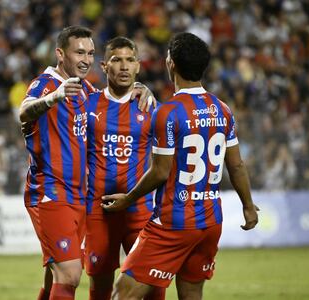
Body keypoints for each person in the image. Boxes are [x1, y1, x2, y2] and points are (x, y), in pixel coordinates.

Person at [102, 32, 259, 300]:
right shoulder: (222, 109)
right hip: (210, 222)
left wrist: (128, 199)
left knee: (123, 294)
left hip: (173, 222)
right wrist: (247, 205)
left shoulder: (169, 112)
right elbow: (236, 165)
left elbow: (161, 171)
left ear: (171, 63)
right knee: (191, 294)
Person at [19, 26, 156, 300]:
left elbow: (114, 96)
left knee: (54, 275)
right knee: (70, 275)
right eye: (79, 52)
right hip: (50, 191)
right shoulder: (46, 83)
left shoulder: (85, 90)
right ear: (60, 53)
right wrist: (53, 97)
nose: (85, 59)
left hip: (78, 196)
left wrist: (140, 87)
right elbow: (24, 112)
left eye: (91, 53)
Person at [85, 37, 165, 300]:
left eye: (130, 60)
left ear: (138, 66)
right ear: (104, 65)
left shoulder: (152, 108)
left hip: (140, 213)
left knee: (154, 287)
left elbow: (166, 162)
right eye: (117, 60)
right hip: (99, 211)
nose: (124, 66)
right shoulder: (88, 105)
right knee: (100, 288)